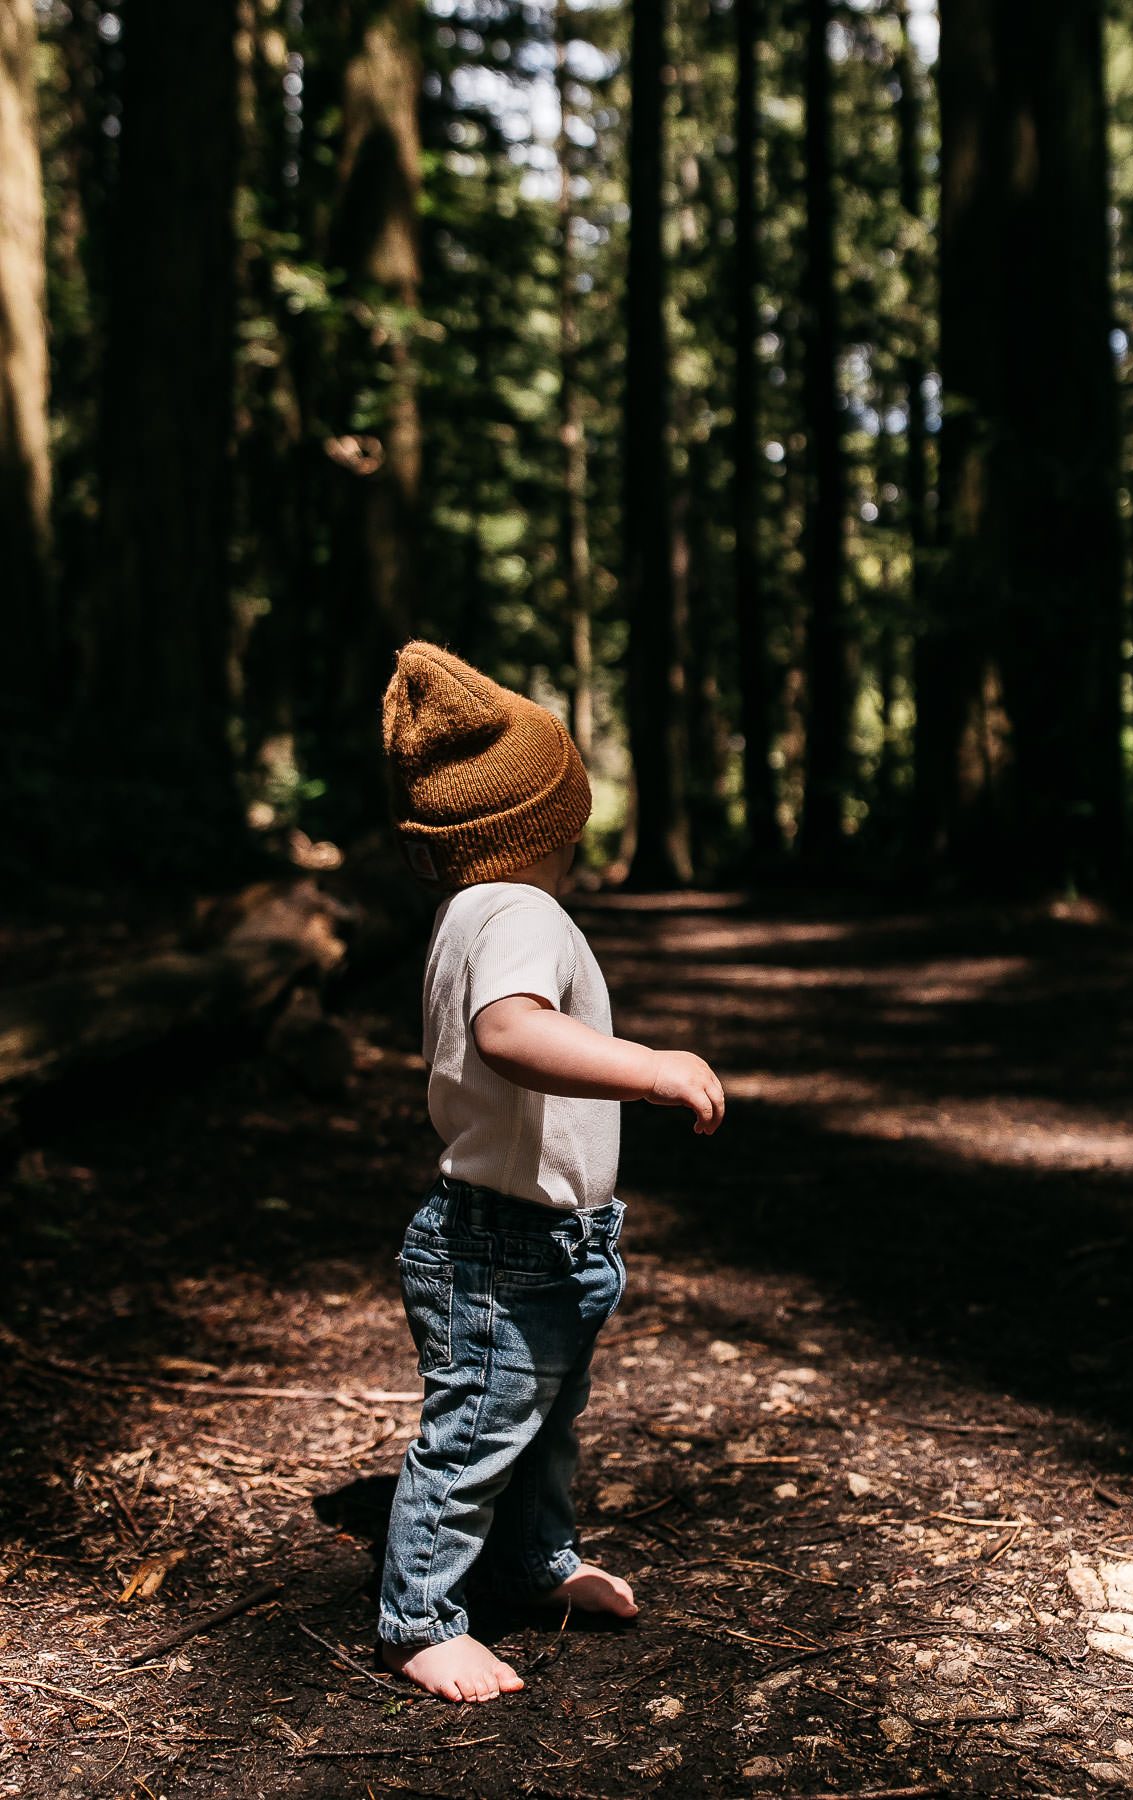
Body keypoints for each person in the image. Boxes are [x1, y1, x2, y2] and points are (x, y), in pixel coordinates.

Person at [376, 642, 725, 1703]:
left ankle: (533, 1562)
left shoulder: (469, 914)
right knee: (479, 1424)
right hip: (505, 1243)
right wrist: (652, 1069)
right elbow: (511, 1035)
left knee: (539, 1420)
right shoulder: (522, 914)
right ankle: (420, 1618)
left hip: (537, 1237)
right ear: (549, 819)